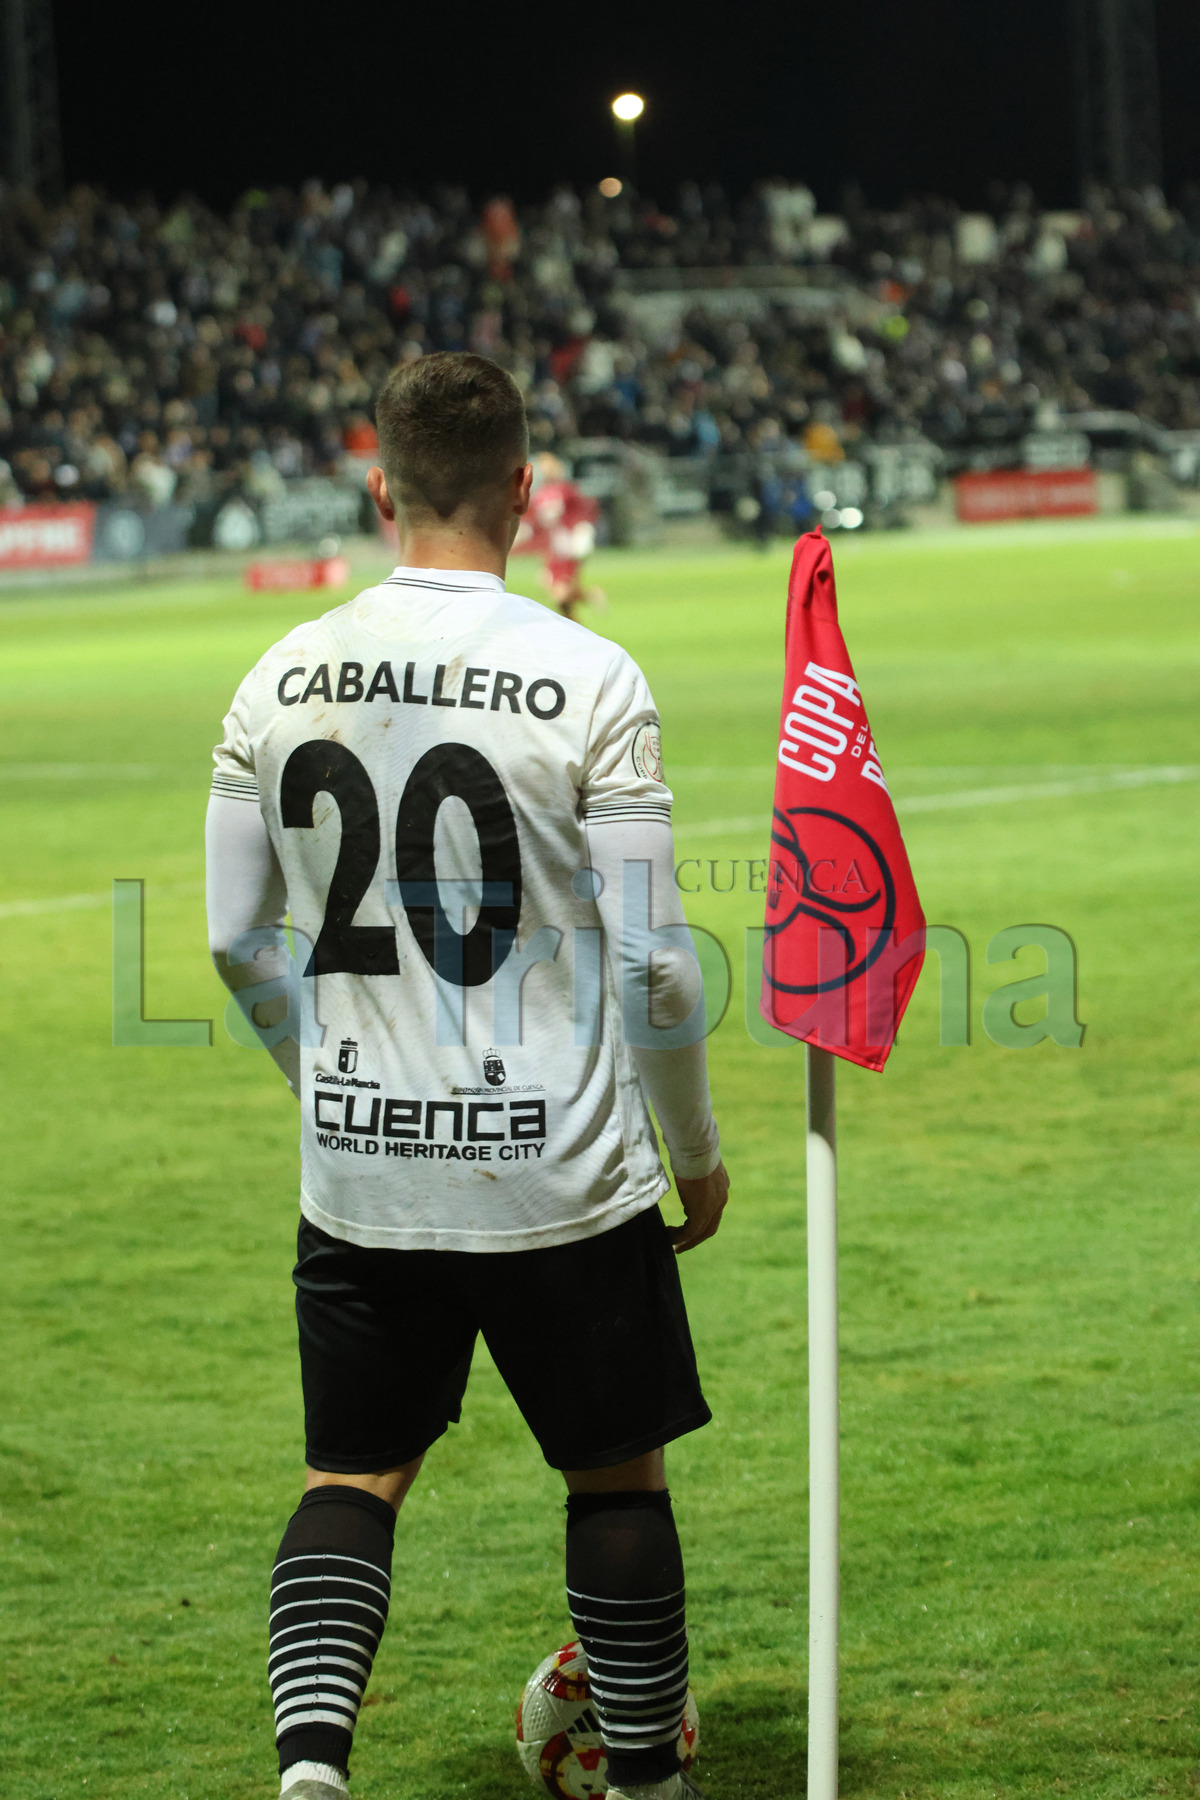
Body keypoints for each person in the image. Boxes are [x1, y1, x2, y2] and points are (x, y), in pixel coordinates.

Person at [205, 351, 729, 1800]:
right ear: (523, 488)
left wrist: (328, 1087)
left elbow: (232, 941)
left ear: (378, 487)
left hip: (363, 1168)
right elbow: (658, 967)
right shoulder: (589, 673)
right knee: (614, 1475)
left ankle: (312, 1774)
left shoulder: (274, 675)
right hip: (560, 1168)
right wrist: (691, 1149)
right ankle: (645, 1779)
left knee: (350, 1477)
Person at [515, 450, 606, 620]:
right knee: (559, 591)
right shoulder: (539, 494)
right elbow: (533, 519)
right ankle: (589, 599)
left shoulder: (566, 490)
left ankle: (576, 622)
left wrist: (583, 529)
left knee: (560, 593)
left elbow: (584, 510)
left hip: (566, 545)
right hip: (550, 546)